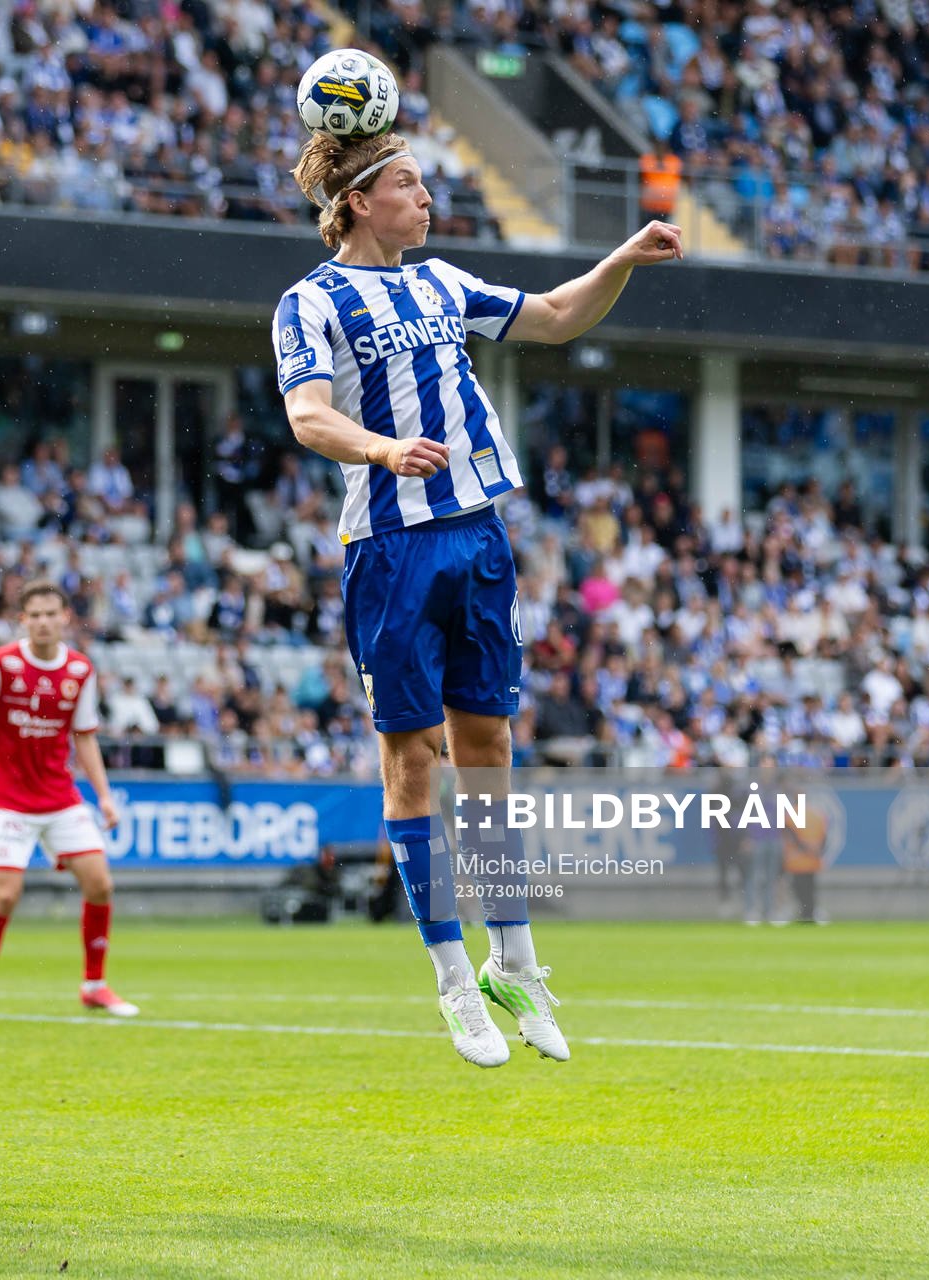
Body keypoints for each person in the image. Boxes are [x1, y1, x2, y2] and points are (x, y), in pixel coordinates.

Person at [273, 129, 682, 1067]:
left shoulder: (443, 283)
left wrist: (621, 259)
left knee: (490, 747)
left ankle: (516, 960)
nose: (427, 199)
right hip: (391, 546)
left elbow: (553, 316)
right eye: (411, 185)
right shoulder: (310, 302)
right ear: (362, 199)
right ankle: (455, 980)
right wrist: (379, 448)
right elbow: (306, 415)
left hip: (479, 534)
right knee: (412, 762)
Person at [0, 581, 134, 1020]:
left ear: (65, 618)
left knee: (100, 884)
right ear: (22, 620)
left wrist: (105, 798)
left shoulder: (80, 670)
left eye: (51, 613)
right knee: (7, 894)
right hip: (8, 798)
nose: (43, 622)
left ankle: (94, 985)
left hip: (60, 795)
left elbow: (85, 738)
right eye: (34, 615)